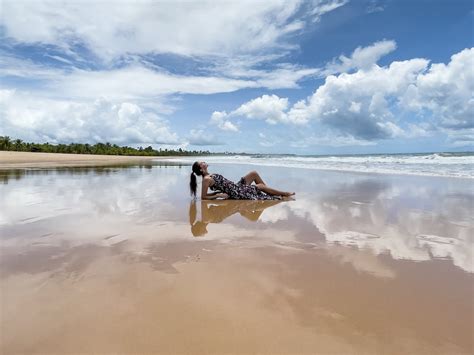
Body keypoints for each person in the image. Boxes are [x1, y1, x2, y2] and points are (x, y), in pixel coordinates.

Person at [189, 161, 295, 200]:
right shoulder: (206, 179)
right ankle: (284, 193)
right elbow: (203, 197)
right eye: (201, 163)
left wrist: (217, 192)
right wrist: (219, 195)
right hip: (235, 192)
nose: (203, 162)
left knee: (254, 173)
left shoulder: (209, 175)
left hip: (236, 186)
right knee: (260, 187)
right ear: (201, 169)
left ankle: (267, 192)